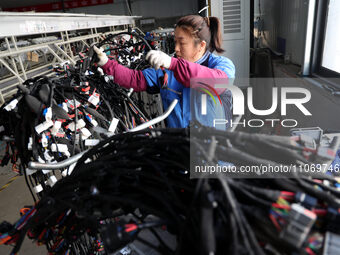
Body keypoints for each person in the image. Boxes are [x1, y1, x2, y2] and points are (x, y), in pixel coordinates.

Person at [94, 15, 235, 129]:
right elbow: (135, 79)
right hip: (178, 152)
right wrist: (106, 63)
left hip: (213, 156)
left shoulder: (221, 66)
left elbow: (218, 82)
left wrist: (172, 63)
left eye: (182, 43)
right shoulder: (168, 70)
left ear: (201, 46)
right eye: (175, 42)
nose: (176, 48)